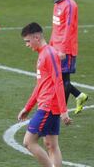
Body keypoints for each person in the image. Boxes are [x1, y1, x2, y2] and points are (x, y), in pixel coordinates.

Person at [18, 22, 72, 167]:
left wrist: (64, 111)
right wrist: (27, 107)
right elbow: (40, 85)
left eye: (28, 41)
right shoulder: (43, 54)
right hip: (48, 105)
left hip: (48, 106)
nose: (27, 45)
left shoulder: (49, 54)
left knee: (28, 142)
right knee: (51, 145)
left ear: (36, 37)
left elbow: (58, 81)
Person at [48, 0, 88, 114]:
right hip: (56, 48)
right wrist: (50, 46)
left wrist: (62, 50)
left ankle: (60, 111)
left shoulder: (70, 5)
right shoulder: (57, 3)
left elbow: (69, 29)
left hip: (66, 50)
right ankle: (79, 96)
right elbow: (56, 27)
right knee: (57, 78)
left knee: (63, 79)